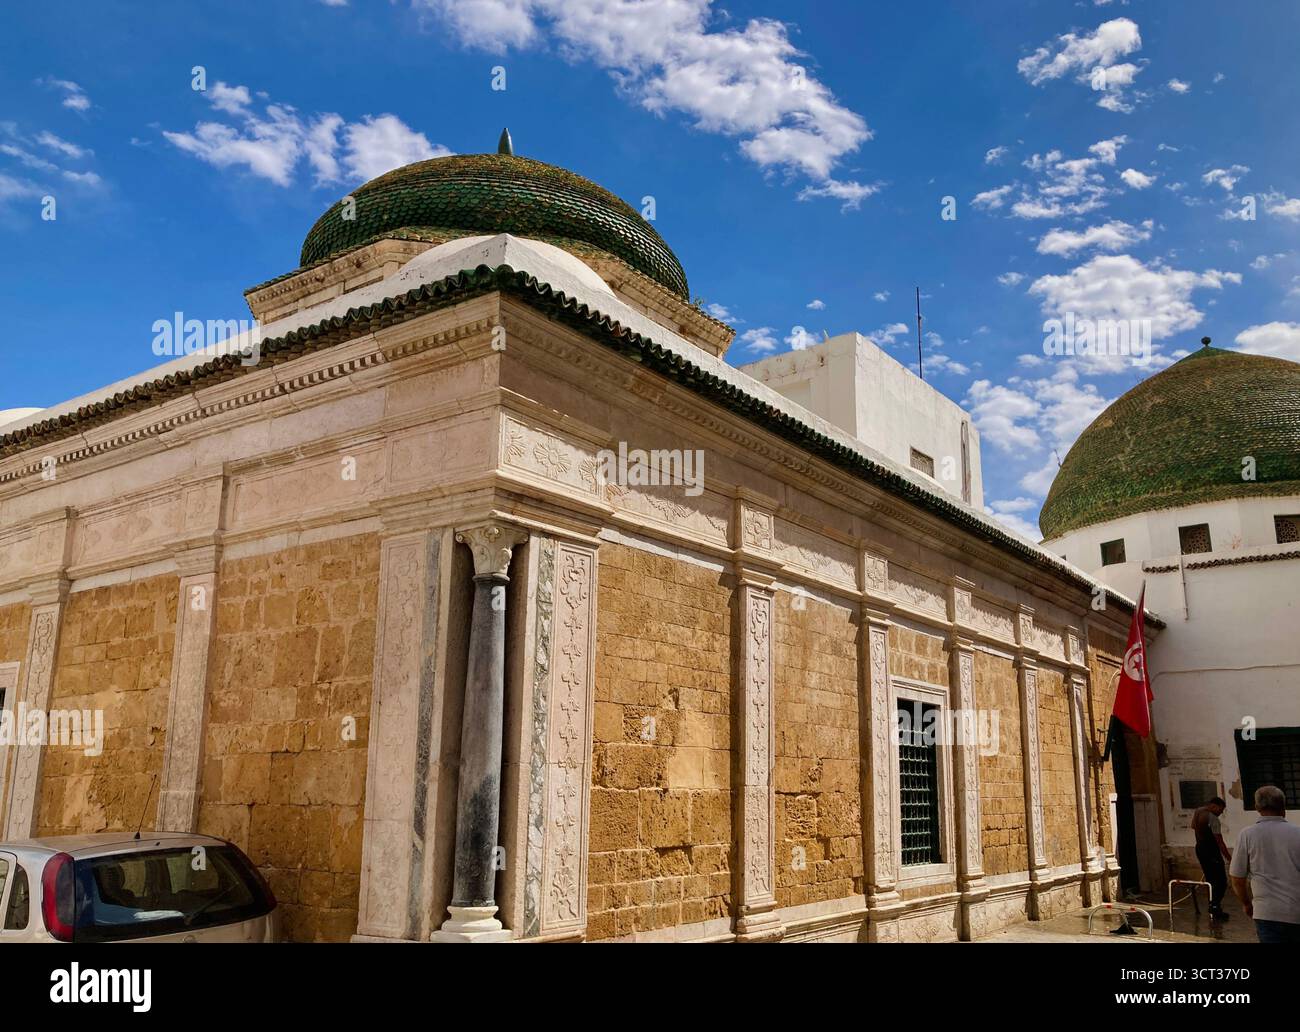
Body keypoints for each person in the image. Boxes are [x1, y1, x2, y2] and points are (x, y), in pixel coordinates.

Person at [1229, 785, 1300, 943]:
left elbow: (1237, 878)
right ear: (1283, 807)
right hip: (1296, 911)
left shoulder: (1247, 835)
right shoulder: (1297, 833)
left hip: (1266, 913)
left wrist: (1247, 903)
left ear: (1257, 808)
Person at [1191, 796, 1232, 920]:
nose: (1221, 812)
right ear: (1214, 806)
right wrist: (1229, 858)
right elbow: (1219, 841)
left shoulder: (1198, 811)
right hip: (1211, 851)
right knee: (1221, 881)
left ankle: (1213, 904)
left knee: (1210, 880)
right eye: (1221, 809)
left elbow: (1193, 826)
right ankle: (1214, 906)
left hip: (1199, 848)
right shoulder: (1213, 819)